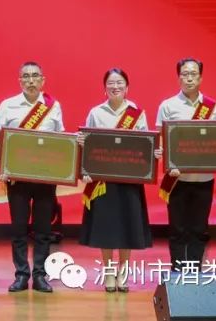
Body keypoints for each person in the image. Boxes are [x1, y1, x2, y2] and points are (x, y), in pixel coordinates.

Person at [78, 68, 157, 293]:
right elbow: (88, 146)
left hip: (129, 179)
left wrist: (153, 154)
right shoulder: (96, 113)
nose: (115, 87)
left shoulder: (137, 113)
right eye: (111, 83)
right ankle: (108, 272)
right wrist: (83, 154)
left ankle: (123, 273)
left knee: (127, 227)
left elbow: (144, 145)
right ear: (105, 88)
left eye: (120, 82)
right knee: (106, 228)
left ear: (127, 87)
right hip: (103, 181)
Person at [0, 61, 64, 293]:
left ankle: (40, 276)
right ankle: (21, 275)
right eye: (26, 76)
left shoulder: (53, 106)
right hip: (18, 179)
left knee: (43, 230)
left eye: (35, 76)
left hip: (45, 179)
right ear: (19, 80)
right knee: (19, 229)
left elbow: (60, 142)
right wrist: (3, 168)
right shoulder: (8, 105)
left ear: (43, 80)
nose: (31, 80)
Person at [156, 57, 216, 271]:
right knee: (177, 228)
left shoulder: (212, 106)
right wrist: (167, 161)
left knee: (199, 228)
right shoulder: (168, 105)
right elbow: (161, 139)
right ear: (179, 78)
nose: (189, 78)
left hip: (204, 177)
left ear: (200, 78)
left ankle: (194, 270)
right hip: (177, 178)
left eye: (193, 74)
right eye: (185, 74)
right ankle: (177, 270)